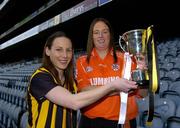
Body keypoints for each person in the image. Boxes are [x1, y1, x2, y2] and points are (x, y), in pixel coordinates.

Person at [27, 31, 138, 128]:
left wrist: (126, 86)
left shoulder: (71, 81)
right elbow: (73, 101)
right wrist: (112, 85)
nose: (65, 55)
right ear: (47, 51)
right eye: (59, 50)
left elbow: (94, 93)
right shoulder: (40, 77)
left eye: (69, 50)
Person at [76, 18, 147, 128]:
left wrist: (143, 73)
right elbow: (84, 92)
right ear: (92, 36)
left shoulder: (127, 59)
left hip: (122, 122)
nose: (101, 36)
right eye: (96, 32)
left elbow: (143, 93)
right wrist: (118, 88)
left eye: (105, 31)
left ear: (110, 35)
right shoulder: (82, 61)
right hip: (90, 121)